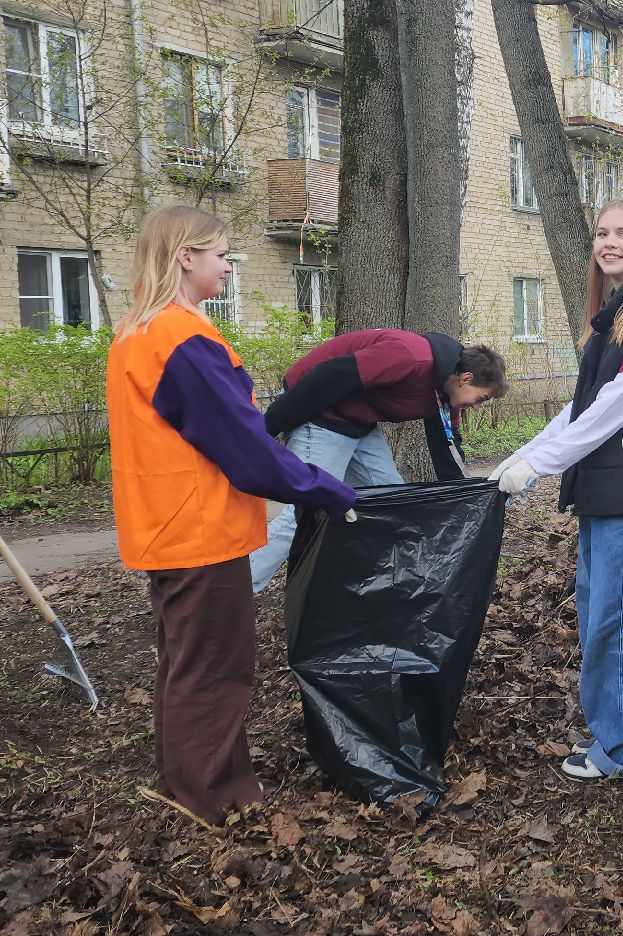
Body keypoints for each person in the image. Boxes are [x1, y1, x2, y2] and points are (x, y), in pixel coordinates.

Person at [106, 204, 357, 822]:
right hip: (200, 532)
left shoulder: (139, 333)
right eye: (220, 254)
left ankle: (182, 785)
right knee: (215, 670)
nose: (227, 265)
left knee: (184, 663)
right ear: (184, 257)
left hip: (167, 528)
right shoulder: (181, 340)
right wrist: (326, 489)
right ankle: (215, 799)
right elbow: (245, 447)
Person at [491, 199, 623, 782]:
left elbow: (614, 409)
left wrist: (540, 466)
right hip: (603, 498)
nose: (609, 243)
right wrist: (522, 456)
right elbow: (580, 408)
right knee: (605, 619)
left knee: (619, 625)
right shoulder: (614, 315)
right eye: (602, 233)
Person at [247, 330, 508, 592]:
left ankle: (371, 588)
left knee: (392, 502)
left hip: (358, 423)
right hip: (317, 412)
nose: (478, 407)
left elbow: (447, 450)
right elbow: (328, 376)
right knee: (307, 514)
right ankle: (240, 589)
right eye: (482, 398)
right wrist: (266, 431)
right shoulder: (410, 358)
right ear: (466, 378)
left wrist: (469, 498)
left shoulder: (445, 394)